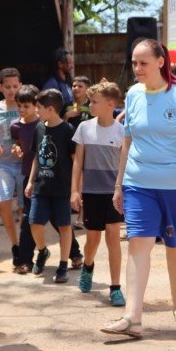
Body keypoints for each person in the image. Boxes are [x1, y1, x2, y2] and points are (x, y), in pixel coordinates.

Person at [100, 38, 176, 340]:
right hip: (138, 182)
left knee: (175, 245)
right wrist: (119, 184)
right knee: (137, 244)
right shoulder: (133, 94)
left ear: (160, 62)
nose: (137, 68)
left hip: (174, 184)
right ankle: (133, 317)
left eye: (143, 62)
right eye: (134, 62)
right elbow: (128, 140)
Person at [70, 80, 126, 306]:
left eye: (94, 102)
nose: (90, 105)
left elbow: (124, 164)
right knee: (92, 239)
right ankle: (88, 266)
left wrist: (120, 189)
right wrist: (75, 190)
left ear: (110, 104)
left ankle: (115, 288)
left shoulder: (122, 131)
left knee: (113, 236)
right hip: (91, 193)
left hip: (113, 194)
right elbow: (77, 162)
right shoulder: (84, 128)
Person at [24, 89, 76, 283]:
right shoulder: (39, 128)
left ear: (50, 109)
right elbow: (37, 157)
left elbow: (75, 161)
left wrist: (75, 189)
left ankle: (63, 265)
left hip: (62, 189)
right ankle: (42, 251)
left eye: (38, 108)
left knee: (64, 226)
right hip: (41, 187)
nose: (36, 111)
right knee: (34, 222)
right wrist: (30, 181)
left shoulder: (67, 131)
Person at [0, 68, 23, 267]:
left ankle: (26, 247)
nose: (12, 90)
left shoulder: (26, 105)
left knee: (25, 208)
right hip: (5, 164)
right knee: (3, 201)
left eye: (15, 86)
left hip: (24, 164)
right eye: (7, 86)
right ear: (0, 88)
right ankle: (15, 245)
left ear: (21, 86)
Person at [9, 85, 40, 274]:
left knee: (55, 217)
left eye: (26, 106)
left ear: (36, 105)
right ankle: (25, 259)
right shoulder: (15, 126)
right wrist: (16, 150)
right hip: (28, 174)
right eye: (19, 106)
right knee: (28, 217)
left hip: (45, 177)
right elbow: (18, 146)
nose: (22, 110)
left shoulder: (43, 125)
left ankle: (73, 253)